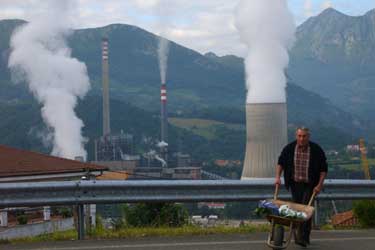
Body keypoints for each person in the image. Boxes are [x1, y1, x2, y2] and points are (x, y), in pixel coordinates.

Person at [275, 127, 327, 247]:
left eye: (304, 136)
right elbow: (281, 162)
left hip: (310, 184)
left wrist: (319, 185)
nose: (302, 138)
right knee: (296, 210)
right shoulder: (289, 148)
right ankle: (298, 235)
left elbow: (323, 169)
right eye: (299, 136)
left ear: (308, 137)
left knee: (306, 210)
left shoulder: (316, 149)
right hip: (295, 183)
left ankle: (303, 237)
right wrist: (278, 177)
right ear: (296, 136)